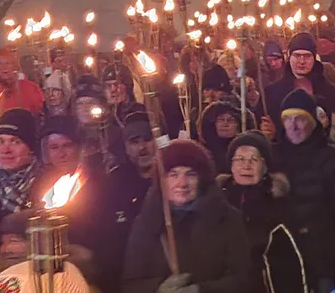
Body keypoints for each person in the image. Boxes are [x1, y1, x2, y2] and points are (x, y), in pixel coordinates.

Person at [120, 139, 250, 293]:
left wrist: (200, 290)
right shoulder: (147, 222)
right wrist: (158, 289)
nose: (182, 183)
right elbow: (131, 284)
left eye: (191, 174)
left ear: (202, 180)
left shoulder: (226, 218)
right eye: (173, 175)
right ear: (162, 180)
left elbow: (243, 280)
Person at [273, 89, 335, 292]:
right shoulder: (273, 157)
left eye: (300, 119)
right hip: (284, 258)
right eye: (288, 119)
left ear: (312, 122)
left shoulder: (333, 160)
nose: (293, 126)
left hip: (322, 260)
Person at [216, 131, 305, 293]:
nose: (246, 166)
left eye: (254, 160)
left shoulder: (278, 204)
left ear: (265, 167)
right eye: (240, 159)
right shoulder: (217, 202)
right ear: (231, 165)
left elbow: (289, 268)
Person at [91, 111, 156, 293]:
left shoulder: (173, 180)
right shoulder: (114, 184)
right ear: (126, 147)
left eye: (148, 139)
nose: (142, 147)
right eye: (134, 142)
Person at [262, 33, 335, 139]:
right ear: (289, 57)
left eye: (307, 56)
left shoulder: (329, 91)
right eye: (297, 55)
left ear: (314, 58)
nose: (302, 61)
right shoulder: (272, 92)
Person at [0, 108, 43, 247]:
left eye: (15, 142)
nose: (6, 150)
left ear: (31, 148)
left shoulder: (48, 184)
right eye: (0, 141)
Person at [0, 47, 46, 116]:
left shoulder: (28, 87)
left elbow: (39, 110)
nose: (4, 67)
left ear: (14, 66)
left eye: (7, 63)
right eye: (0, 63)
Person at [198, 98, 244, 173]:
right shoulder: (203, 153)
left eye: (231, 120)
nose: (225, 124)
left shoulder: (244, 150)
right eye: (220, 120)